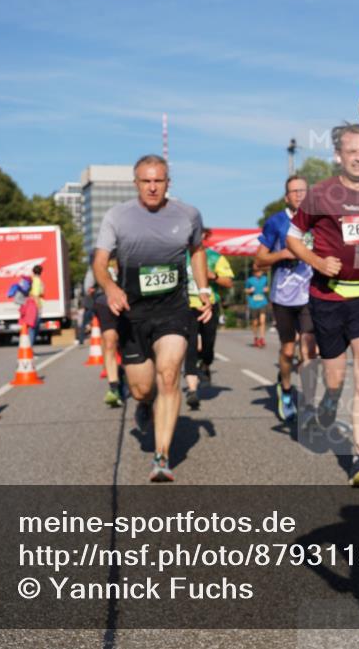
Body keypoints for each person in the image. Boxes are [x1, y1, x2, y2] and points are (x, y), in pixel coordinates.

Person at [286, 123, 359, 487]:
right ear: (339, 156)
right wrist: (318, 263)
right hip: (328, 297)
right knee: (335, 377)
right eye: (352, 151)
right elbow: (293, 239)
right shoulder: (320, 194)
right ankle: (329, 399)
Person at [93, 154, 212, 483]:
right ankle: (144, 405)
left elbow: (198, 249)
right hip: (134, 313)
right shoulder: (118, 216)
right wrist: (110, 287)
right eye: (146, 181)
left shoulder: (188, 214)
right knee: (143, 388)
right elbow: (101, 261)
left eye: (158, 180)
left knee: (170, 373)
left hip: (173, 311)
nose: (152, 187)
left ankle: (162, 456)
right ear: (136, 183)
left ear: (168, 182)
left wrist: (203, 289)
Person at [255, 175, 319, 423]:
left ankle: (309, 402)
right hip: (283, 296)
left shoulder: (317, 222)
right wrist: (282, 253)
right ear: (286, 197)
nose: (299, 195)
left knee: (309, 349)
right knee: (288, 349)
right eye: (294, 191)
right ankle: (286, 389)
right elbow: (259, 260)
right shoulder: (276, 222)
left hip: (309, 294)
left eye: (303, 190)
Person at [184, 228, 234, 410]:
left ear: (206, 238)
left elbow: (228, 282)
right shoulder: (180, 256)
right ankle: (191, 390)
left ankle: (206, 363)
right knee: (189, 347)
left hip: (209, 306)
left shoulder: (215, 257)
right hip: (187, 306)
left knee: (208, 344)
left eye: (201, 236)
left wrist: (211, 275)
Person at [88, 262, 123, 408]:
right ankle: (113, 387)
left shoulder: (127, 248)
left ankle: (124, 373)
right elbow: (88, 285)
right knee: (110, 342)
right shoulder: (99, 256)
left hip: (127, 300)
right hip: (104, 302)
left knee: (125, 343)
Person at [245, 267, 269, 348]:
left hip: (263, 302)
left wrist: (266, 289)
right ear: (254, 272)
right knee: (255, 322)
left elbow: (268, 287)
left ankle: (262, 338)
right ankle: (256, 337)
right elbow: (245, 290)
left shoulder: (265, 279)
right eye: (257, 271)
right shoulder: (250, 280)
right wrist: (250, 291)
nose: (259, 273)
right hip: (253, 303)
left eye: (260, 271)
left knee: (262, 321)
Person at [29, 264, 45, 344]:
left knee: (33, 327)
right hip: (35, 306)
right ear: (41, 272)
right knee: (34, 328)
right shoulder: (37, 280)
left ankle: (30, 347)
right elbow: (36, 295)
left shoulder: (32, 279)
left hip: (31, 305)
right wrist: (38, 307)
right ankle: (30, 347)